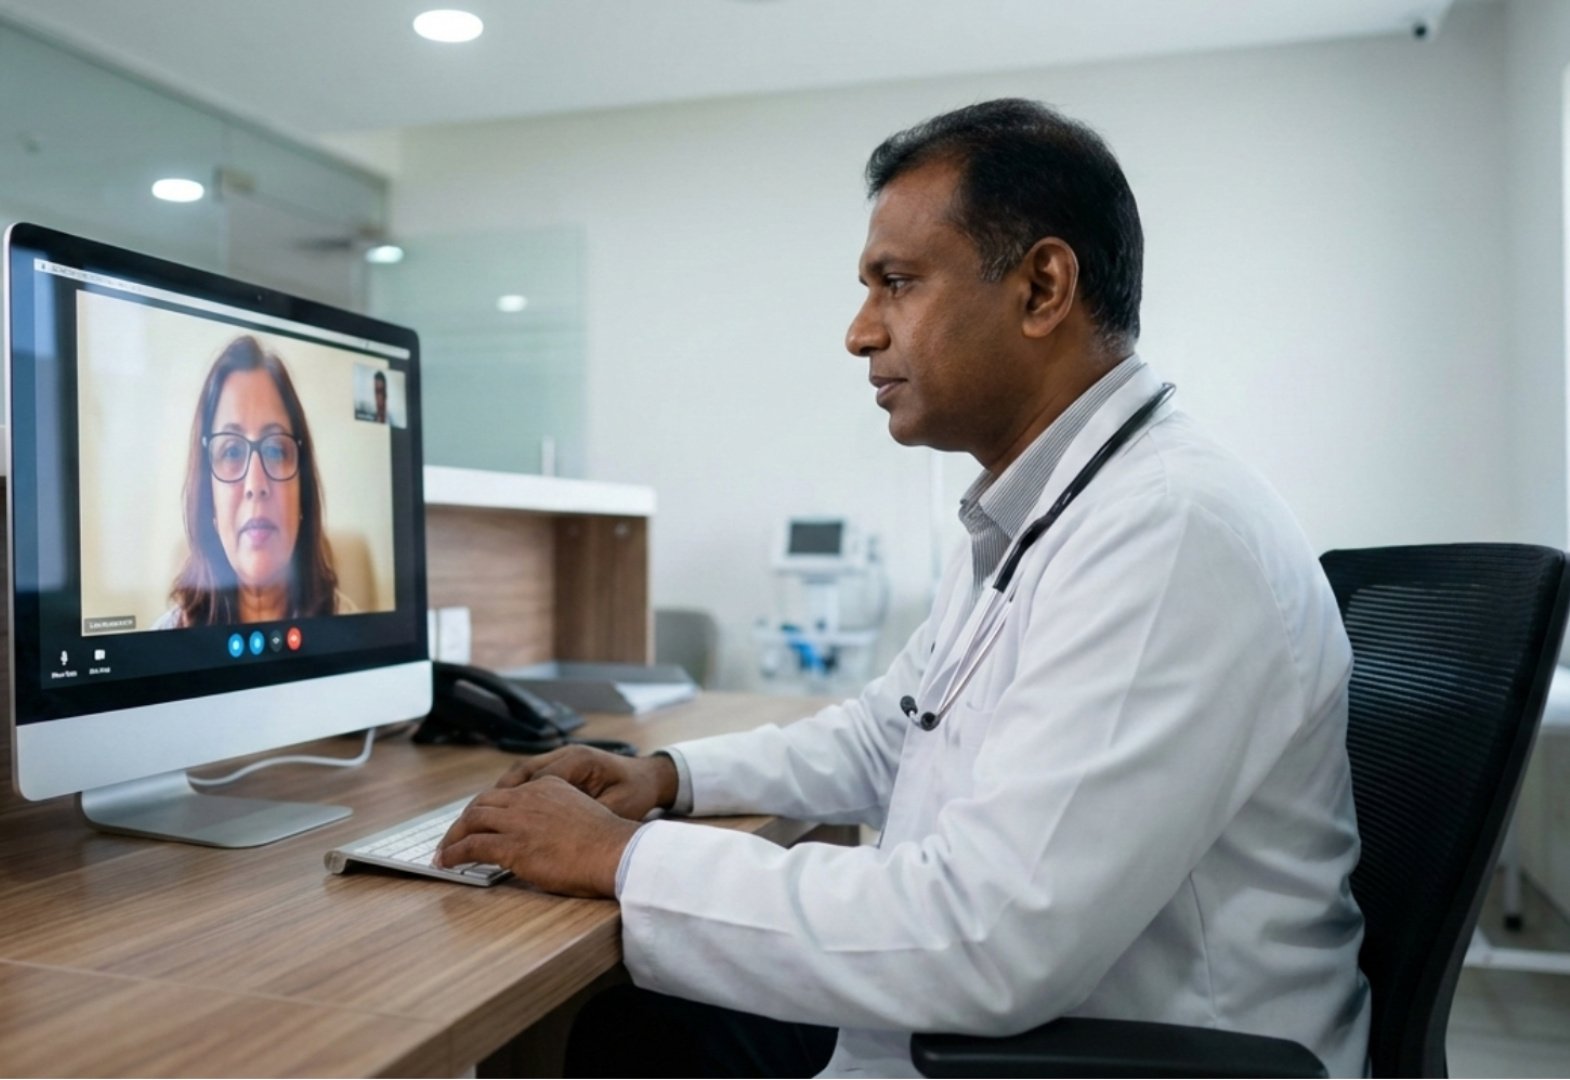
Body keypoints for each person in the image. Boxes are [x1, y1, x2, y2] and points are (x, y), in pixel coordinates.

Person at [436, 99, 1371, 1078]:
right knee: (636, 1025)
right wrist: (668, 778)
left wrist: (618, 856)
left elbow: (986, 941)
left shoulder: (1167, 532)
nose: (858, 331)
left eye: (897, 283)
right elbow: (894, 730)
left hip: (1120, 1051)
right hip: (1005, 1026)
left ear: (1043, 287)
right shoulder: (1046, 511)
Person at [156, 335, 352, 627]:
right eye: (232, 451)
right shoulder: (164, 645)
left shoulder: (354, 633)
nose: (255, 484)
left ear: (303, 492)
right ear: (209, 499)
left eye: (275, 450)